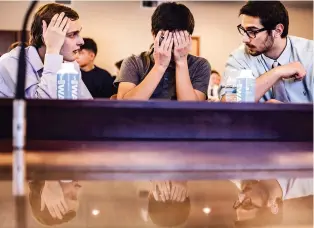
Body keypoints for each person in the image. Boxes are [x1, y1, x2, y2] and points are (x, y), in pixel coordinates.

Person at [114, 2, 210, 101]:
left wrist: (181, 62)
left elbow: (192, 110)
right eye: (166, 37)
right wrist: (159, 66)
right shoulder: (133, 62)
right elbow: (124, 106)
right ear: (154, 35)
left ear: (189, 38)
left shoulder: (200, 65)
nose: (172, 43)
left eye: (179, 37)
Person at [221, 1, 313, 103]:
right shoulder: (240, 58)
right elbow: (229, 103)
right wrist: (277, 72)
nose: (245, 39)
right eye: (244, 30)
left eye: (252, 31)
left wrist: (292, 117)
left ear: (278, 30)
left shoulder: (310, 54)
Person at [0, 3, 92, 99]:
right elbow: (41, 109)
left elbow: (85, 104)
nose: (81, 41)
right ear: (47, 38)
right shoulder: (11, 62)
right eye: (72, 34)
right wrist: (52, 50)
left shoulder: (70, 65)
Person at [232, 178, 313, 226]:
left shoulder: (245, 172)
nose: (241, 197)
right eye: (247, 204)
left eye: (238, 204)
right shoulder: (307, 184)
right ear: (270, 208)